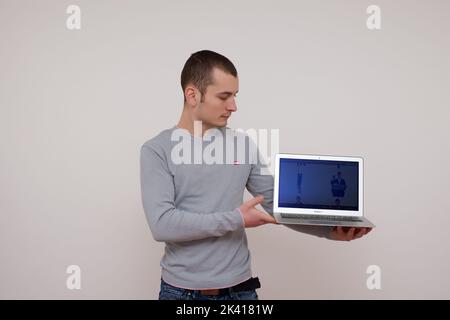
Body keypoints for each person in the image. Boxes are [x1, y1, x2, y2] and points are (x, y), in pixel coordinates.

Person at [140, 50, 372, 301]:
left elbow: (276, 204)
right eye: (224, 96)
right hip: (181, 293)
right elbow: (162, 224)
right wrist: (236, 218)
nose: (233, 106)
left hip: (241, 291)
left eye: (235, 96)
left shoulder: (244, 145)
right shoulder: (157, 150)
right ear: (192, 95)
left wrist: (328, 230)